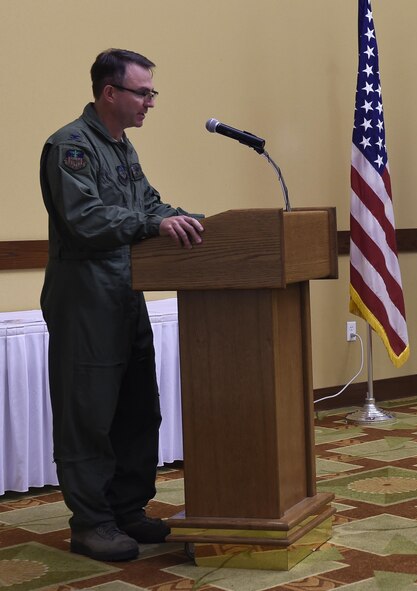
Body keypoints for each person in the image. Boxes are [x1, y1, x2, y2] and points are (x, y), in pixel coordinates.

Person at [39, 49, 204, 562]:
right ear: (110, 93)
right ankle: (91, 523)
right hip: (86, 299)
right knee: (88, 413)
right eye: (143, 92)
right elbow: (84, 218)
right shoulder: (70, 146)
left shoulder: (123, 148)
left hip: (126, 294)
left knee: (138, 410)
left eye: (152, 92)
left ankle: (127, 510)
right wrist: (152, 224)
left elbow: (147, 204)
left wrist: (193, 220)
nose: (150, 101)